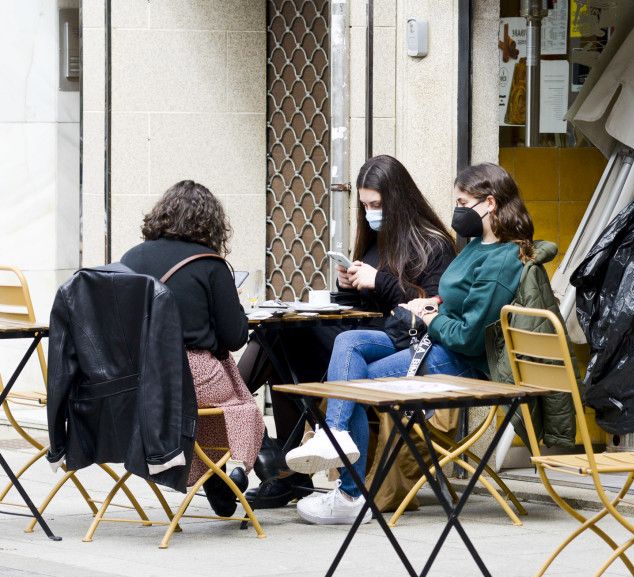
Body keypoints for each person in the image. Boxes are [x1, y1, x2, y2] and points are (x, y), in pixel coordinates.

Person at [285, 162, 533, 524]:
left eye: (463, 202)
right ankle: (337, 440)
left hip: (459, 359)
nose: (457, 211)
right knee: (350, 345)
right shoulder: (476, 246)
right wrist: (434, 304)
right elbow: (456, 300)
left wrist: (432, 316)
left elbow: (469, 336)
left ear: (490, 204)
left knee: (358, 379)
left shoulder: (501, 258)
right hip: (427, 339)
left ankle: (349, 490)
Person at [241, 155, 456, 508]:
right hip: (364, 330)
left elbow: (429, 305)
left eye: (376, 204)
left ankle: (222, 408)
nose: (370, 212)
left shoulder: (433, 243)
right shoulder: (374, 239)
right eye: (365, 205)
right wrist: (350, 285)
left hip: (396, 342)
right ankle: (270, 450)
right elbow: (370, 300)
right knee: (278, 337)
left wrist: (379, 280)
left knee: (286, 345)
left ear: (398, 200)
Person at [121, 180, 265, 517]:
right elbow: (235, 337)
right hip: (186, 374)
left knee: (208, 396)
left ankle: (214, 475)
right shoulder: (209, 264)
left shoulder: (130, 257)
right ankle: (232, 468)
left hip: (133, 378)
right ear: (210, 222)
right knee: (238, 402)